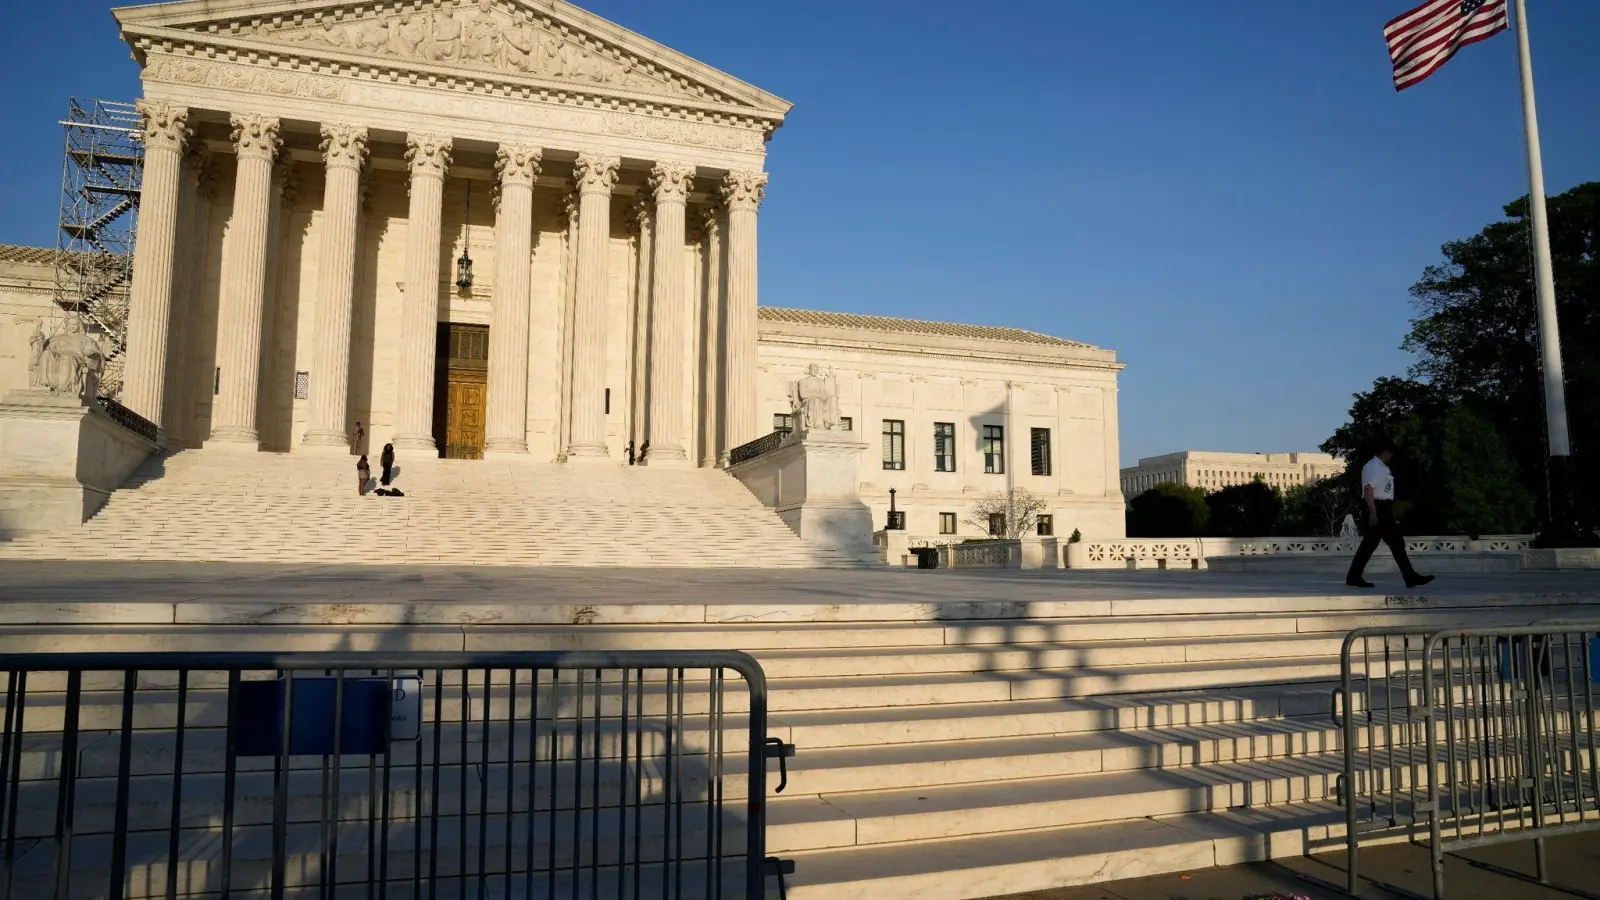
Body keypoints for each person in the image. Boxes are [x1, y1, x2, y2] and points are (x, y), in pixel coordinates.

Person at [1346, 439, 1434, 589]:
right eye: (1391, 453)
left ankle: (1354, 576)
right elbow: (1368, 490)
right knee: (1395, 542)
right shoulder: (1373, 466)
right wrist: (1373, 512)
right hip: (1377, 506)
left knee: (1370, 544)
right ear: (1385, 451)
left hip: (1383, 507)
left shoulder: (1382, 467)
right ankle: (1410, 577)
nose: (1392, 456)